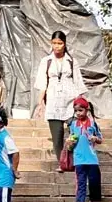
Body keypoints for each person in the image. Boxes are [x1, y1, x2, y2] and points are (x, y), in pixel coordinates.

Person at [35, 30, 86, 167]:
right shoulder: (46, 61)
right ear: (51, 44)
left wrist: (81, 103)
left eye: (60, 43)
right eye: (54, 43)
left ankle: (76, 161)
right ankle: (62, 163)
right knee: (57, 137)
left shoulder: (71, 61)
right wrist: (40, 104)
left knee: (75, 134)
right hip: (53, 102)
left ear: (64, 44)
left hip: (71, 101)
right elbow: (42, 84)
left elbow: (78, 82)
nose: (57, 46)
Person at [65, 97, 103, 202]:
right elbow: (70, 141)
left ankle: (92, 201)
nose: (78, 113)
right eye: (76, 111)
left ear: (87, 110)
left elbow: (100, 139)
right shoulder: (73, 125)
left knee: (93, 181)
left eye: (80, 110)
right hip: (79, 158)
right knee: (81, 182)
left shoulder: (93, 124)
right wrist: (69, 142)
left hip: (92, 159)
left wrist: (95, 138)